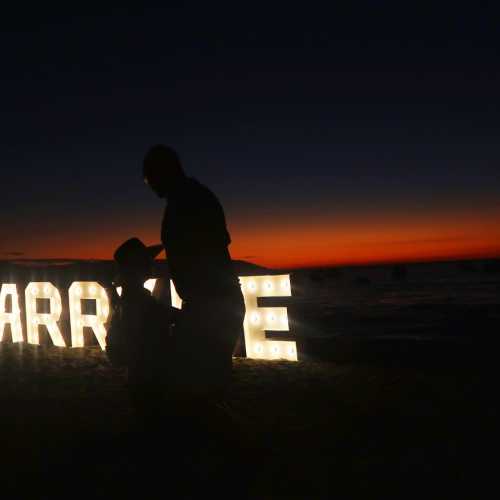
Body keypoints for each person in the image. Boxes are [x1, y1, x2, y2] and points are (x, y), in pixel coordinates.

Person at [142, 145, 245, 411]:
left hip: (211, 302)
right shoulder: (192, 197)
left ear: (164, 172)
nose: (150, 186)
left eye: (149, 178)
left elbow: (208, 248)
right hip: (210, 301)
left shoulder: (189, 200)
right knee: (205, 381)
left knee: (200, 386)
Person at [106, 237, 173, 430]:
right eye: (146, 261)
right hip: (148, 377)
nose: (151, 264)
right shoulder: (136, 301)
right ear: (138, 267)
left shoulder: (128, 299)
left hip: (140, 377)